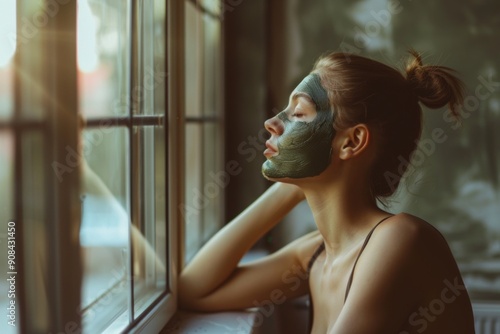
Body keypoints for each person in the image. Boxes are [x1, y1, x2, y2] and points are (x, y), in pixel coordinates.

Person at [178, 51, 476, 333]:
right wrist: (288, 189)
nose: (271, 123)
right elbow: (195, 291)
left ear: (352, 142)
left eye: (298, 113)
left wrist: (299, 176)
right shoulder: (316, 255)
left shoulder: (402, 239)